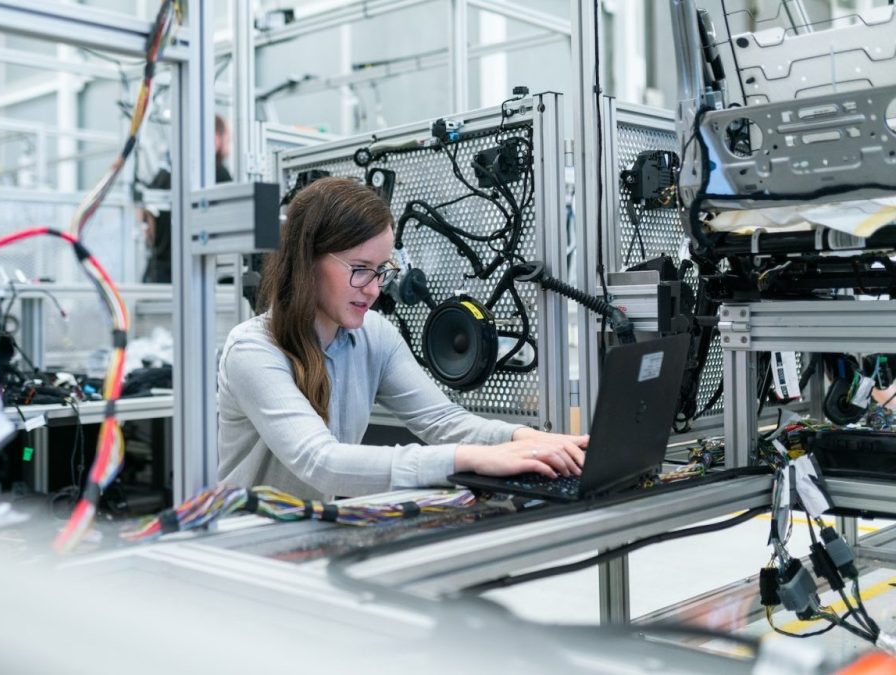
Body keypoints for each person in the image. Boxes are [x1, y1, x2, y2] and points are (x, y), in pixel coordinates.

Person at [217, 177, 588, 500]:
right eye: (360, 270)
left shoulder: (373, 335)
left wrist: (527, 440)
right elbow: (321, 462)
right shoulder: (254, 349)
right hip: (249, 546)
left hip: (311, 533)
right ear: (307, 261)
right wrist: (468, 459)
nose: (375, 289)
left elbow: (443, 421)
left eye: (382, 271)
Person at [141, 115, 233, 283]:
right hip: (196, 275)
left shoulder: (165, 173)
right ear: (215, 137)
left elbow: (146, 222)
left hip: (159, 275)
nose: (228, 146)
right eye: (227, 139)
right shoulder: (217, 172)